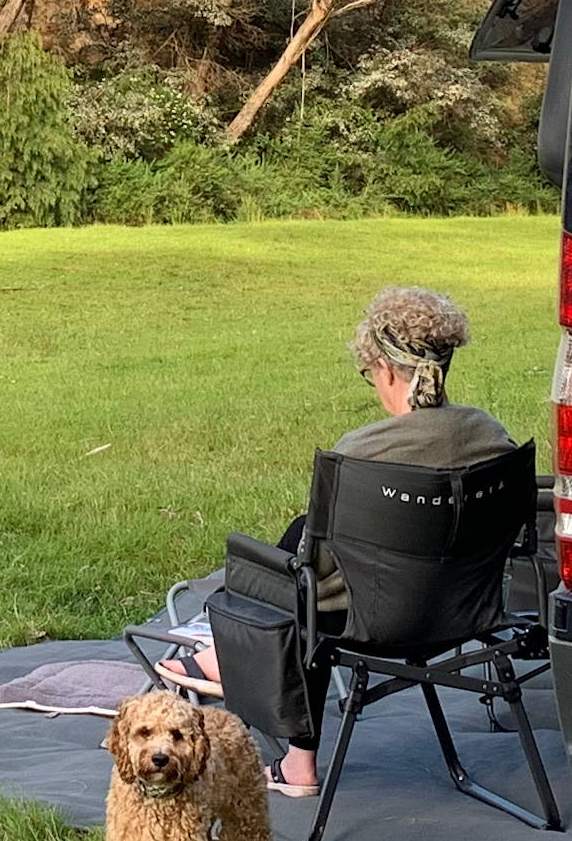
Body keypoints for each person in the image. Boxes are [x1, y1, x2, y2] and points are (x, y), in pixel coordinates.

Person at [172, 286, 522, 793]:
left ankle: (279, 735)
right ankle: (230, 671)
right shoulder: (492, 435)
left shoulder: (359, 454)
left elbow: (313, 566)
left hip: (369, 623)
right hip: (468, 613)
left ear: (382, 368)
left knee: (295, 583)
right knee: (303, 556)